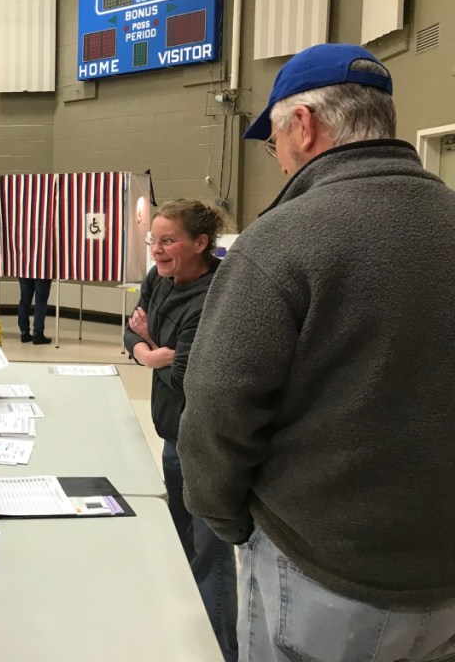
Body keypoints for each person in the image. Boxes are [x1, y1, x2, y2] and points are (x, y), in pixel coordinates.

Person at [178, 44, 455, 662]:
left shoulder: (282, 239)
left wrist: (225, 521)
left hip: (319, 570)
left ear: (303, 125)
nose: (277, 161)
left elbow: (219, 405)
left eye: (273, 142)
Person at [122, 199, 235, 662]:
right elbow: (129, 331)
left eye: (168, 241)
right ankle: (184, 637)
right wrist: (151, 350)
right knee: (179, 540)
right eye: (154, 241)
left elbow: (188, 375)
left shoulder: (215, 295)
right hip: (171, 433)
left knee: (210, 553)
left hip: (205, 442)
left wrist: (150, 347)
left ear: (201, 242)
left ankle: (219, 649)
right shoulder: (159, 279)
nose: (158, 251)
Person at [17, 277, 52, 344]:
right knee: (41, 300)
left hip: (24, 269)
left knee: (24, 300)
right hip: (42, 270)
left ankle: (24, 333)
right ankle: (38, 334)